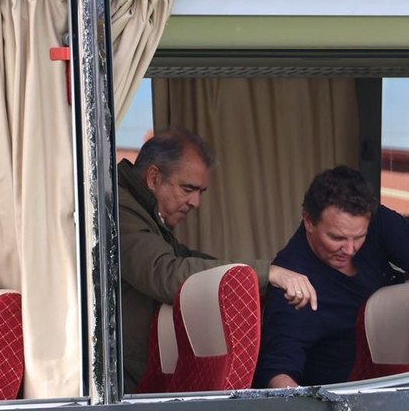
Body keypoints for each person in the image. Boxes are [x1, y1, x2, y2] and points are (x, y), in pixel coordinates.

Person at [118, 127, 318, 389]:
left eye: (201, 192)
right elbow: (164, 273)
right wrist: (265, 274)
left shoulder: (142, 209)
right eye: (188, 188)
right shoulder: (119, 209)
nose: (195, 202)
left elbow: (183, 257)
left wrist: (261, 275)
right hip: (122, 381)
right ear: (154, 178)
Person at [255, 165, 409, 388]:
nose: (349, 249)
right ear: (309, 222)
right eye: (336, 238)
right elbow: (277, 371)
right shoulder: (291, 281)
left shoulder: (374, 220)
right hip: (345, 399)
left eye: (359, 237)